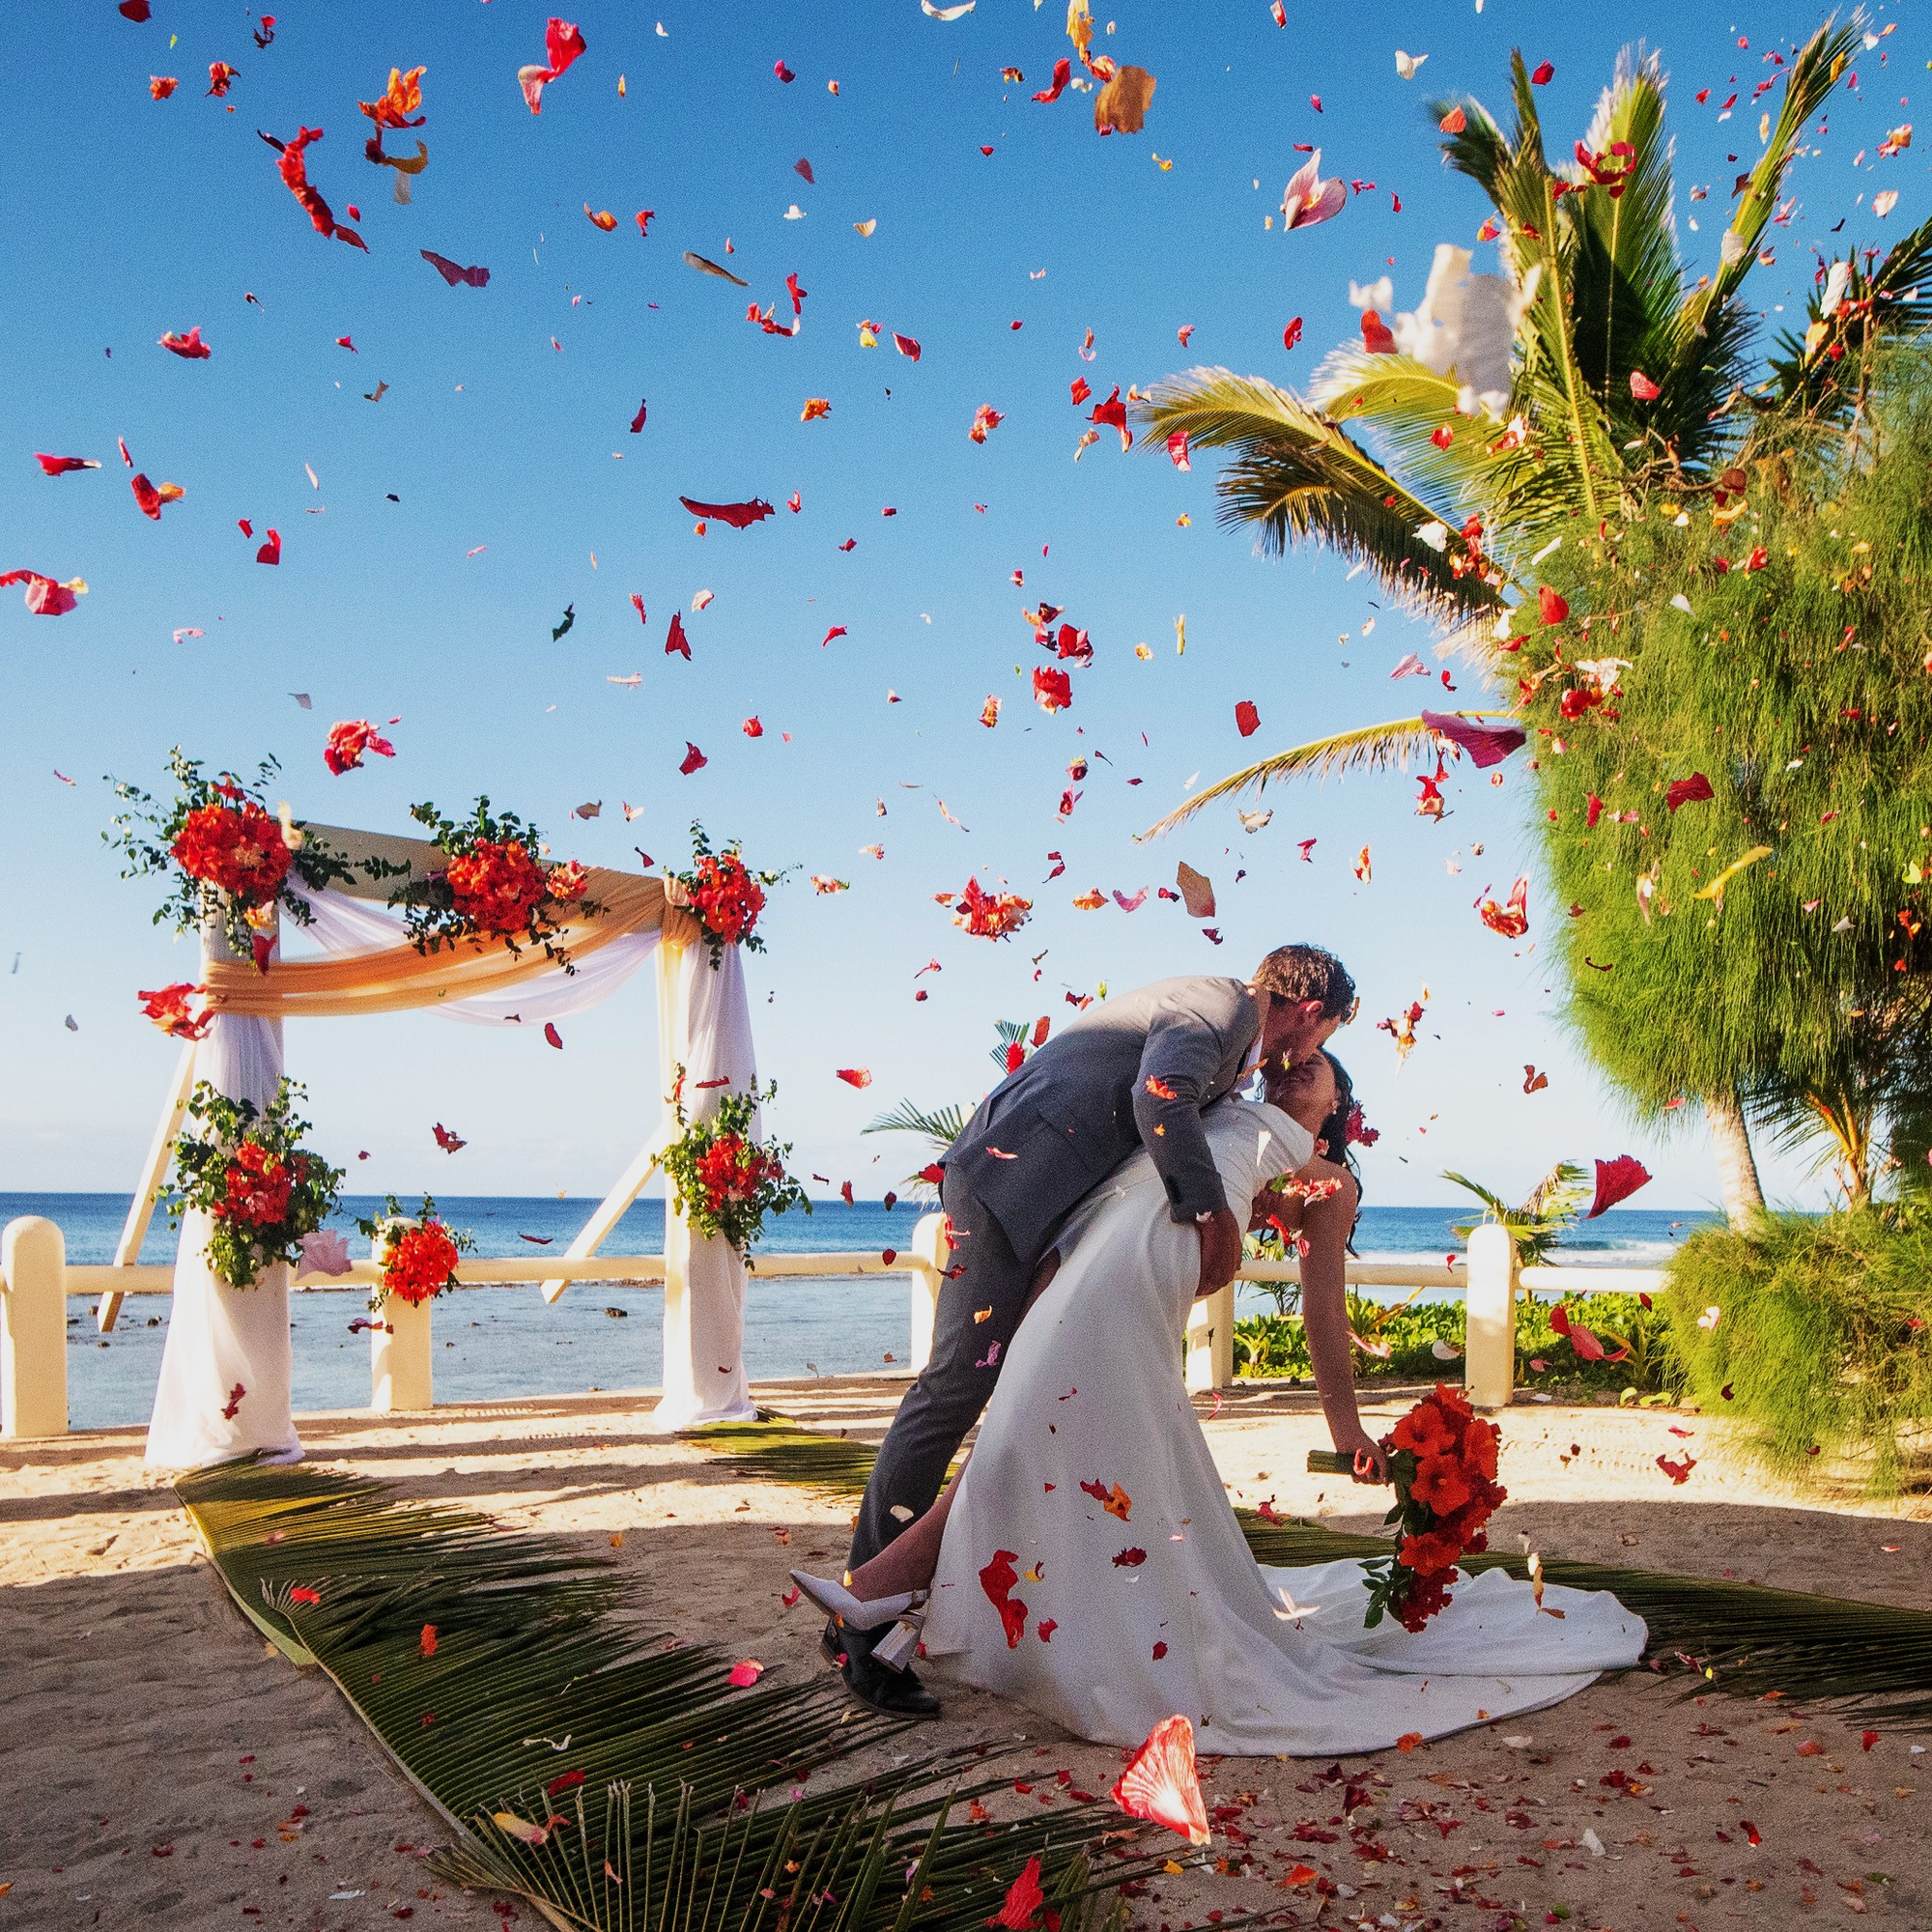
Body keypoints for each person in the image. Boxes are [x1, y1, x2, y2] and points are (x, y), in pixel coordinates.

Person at [795, 1054, 1647, 1755]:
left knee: (1018, 1455)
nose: (1291, 1070)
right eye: (1290, 1065)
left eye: (1313, 1069)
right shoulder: (1194, 1127)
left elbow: (1321, 1313)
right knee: (1020, 1453)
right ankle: (881, 1604)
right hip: (1087, 1298)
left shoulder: (1327, 1188)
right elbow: (1098, 1212)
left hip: (1119, 1312)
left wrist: (1346, 1429)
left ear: (1336, 1102)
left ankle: (874, 1598)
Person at [834, 946, 1372, 1717]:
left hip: (1051, 1211)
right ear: (1314, 1013)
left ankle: (876, 1597)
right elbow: (1159, 1098)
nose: (1309, 1060)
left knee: (1000, 1403)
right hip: (1012, 1183)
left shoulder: (1241, 1066)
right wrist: (1213, 1219)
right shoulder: (1222, 1011)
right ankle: (863, 1614)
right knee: (955, 1389)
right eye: (1324, 1040)